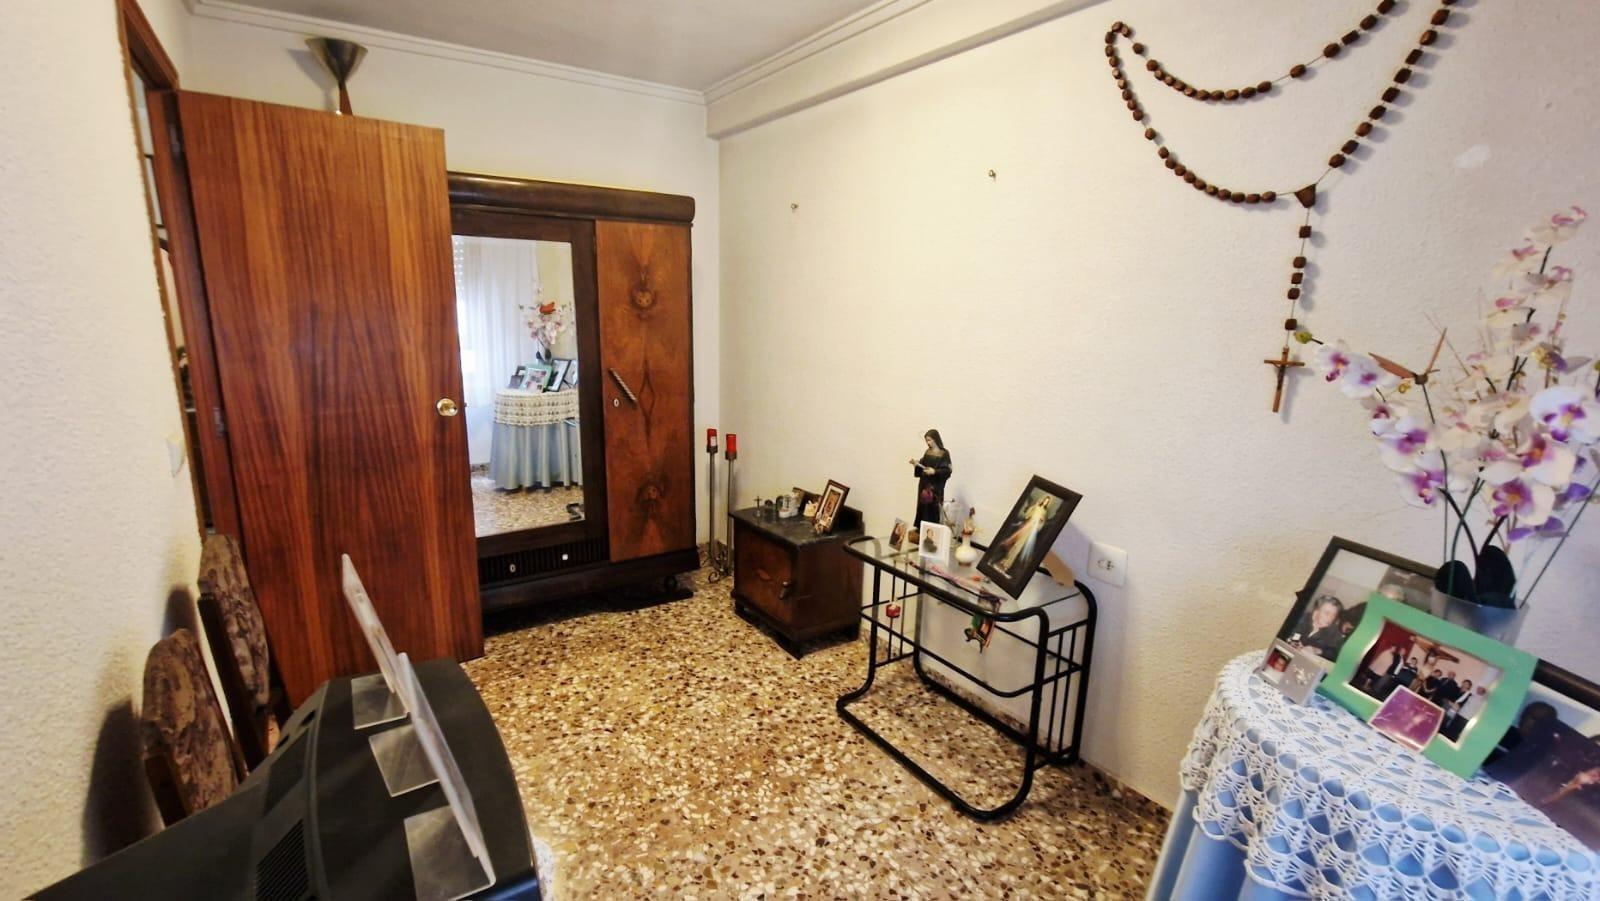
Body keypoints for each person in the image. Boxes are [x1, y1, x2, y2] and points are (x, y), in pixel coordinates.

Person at [990, 494, 1055, 576]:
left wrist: (1040, 522)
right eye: (1045, 500)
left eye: (1047, 502)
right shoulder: (1036, 507)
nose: (1045, 502)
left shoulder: (1044, 512)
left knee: (1019, 547)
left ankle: (1007, 565)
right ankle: (1004, 561)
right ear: (1043, 500)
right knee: (1014, 544)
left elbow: (1041, 525)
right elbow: (1027, 515)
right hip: (1026, 527)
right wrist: (1034, 506)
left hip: (1031, 531)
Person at [909, 430, 952, 527]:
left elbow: (947, 470)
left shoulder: (944, 453)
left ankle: (932, 529)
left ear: (935, 439)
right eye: (926, 440)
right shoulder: (927, 452)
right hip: (924, 484)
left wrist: (935, 471)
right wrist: (916, 464)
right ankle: (921, 528)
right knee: (922, 506)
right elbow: (922, 464)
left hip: (935, 486)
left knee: (932, 508)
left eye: (929, 440)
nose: (928, 443)